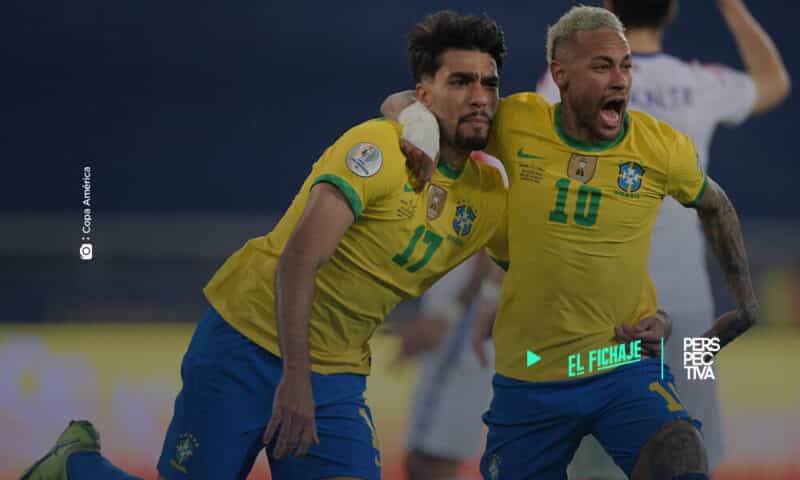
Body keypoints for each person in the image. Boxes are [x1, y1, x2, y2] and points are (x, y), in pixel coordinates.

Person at [20, 11, 511, 480]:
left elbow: (524, 265)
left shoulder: (489, 196)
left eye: (489, 83)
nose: (479, 96)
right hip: (247, 340)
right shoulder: (379, 150)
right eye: (460, 81)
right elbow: (299, 259)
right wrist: (294, 379)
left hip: (335, 370)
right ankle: (75, 466)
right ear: (425, 94)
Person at [384, 5, 760, 479]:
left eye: (625, 66)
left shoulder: (659, 145)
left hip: (627, 353)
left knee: (682, 450)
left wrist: (747, 306)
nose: (621, 79)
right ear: (560, 75)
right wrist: (417, 126)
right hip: (545, 366)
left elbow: (716, 204)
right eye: (603, 67)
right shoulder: (520, 119)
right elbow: (410, 101)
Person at [537, 1, 790, 477]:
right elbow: (774, 81)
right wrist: (732, 8)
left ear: (609, 8)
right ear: (671, 12)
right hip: (694, 317)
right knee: (693, 447)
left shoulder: (567, 79)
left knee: (598, 457)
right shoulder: (698, 83)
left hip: (605, 316)